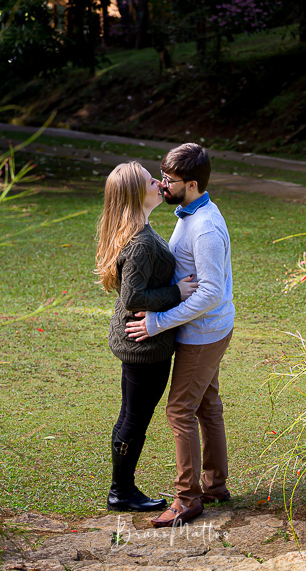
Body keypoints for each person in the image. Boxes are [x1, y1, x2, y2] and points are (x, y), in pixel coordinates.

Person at [124, 143, 235, 528]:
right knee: (206, 405)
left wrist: (157, 322)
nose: (162, 184)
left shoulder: (204, 228)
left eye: (168, 180)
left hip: (203, 332)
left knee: (179, 410)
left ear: (191, 183)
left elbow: (209, 293)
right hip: (208, 328)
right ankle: (215, 485)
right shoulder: (191, 211)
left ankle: (188, 499)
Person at [95, 161, 198, 512]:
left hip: (141, 341)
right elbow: (133, 297)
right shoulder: (139, 243)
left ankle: (121, 489)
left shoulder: (139, 231)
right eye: (151, 181)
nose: (160, 183)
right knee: (133, 419)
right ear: (135, 194)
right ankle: (121, 492)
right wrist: (178, 293)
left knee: (131, 416)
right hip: (143, 344)